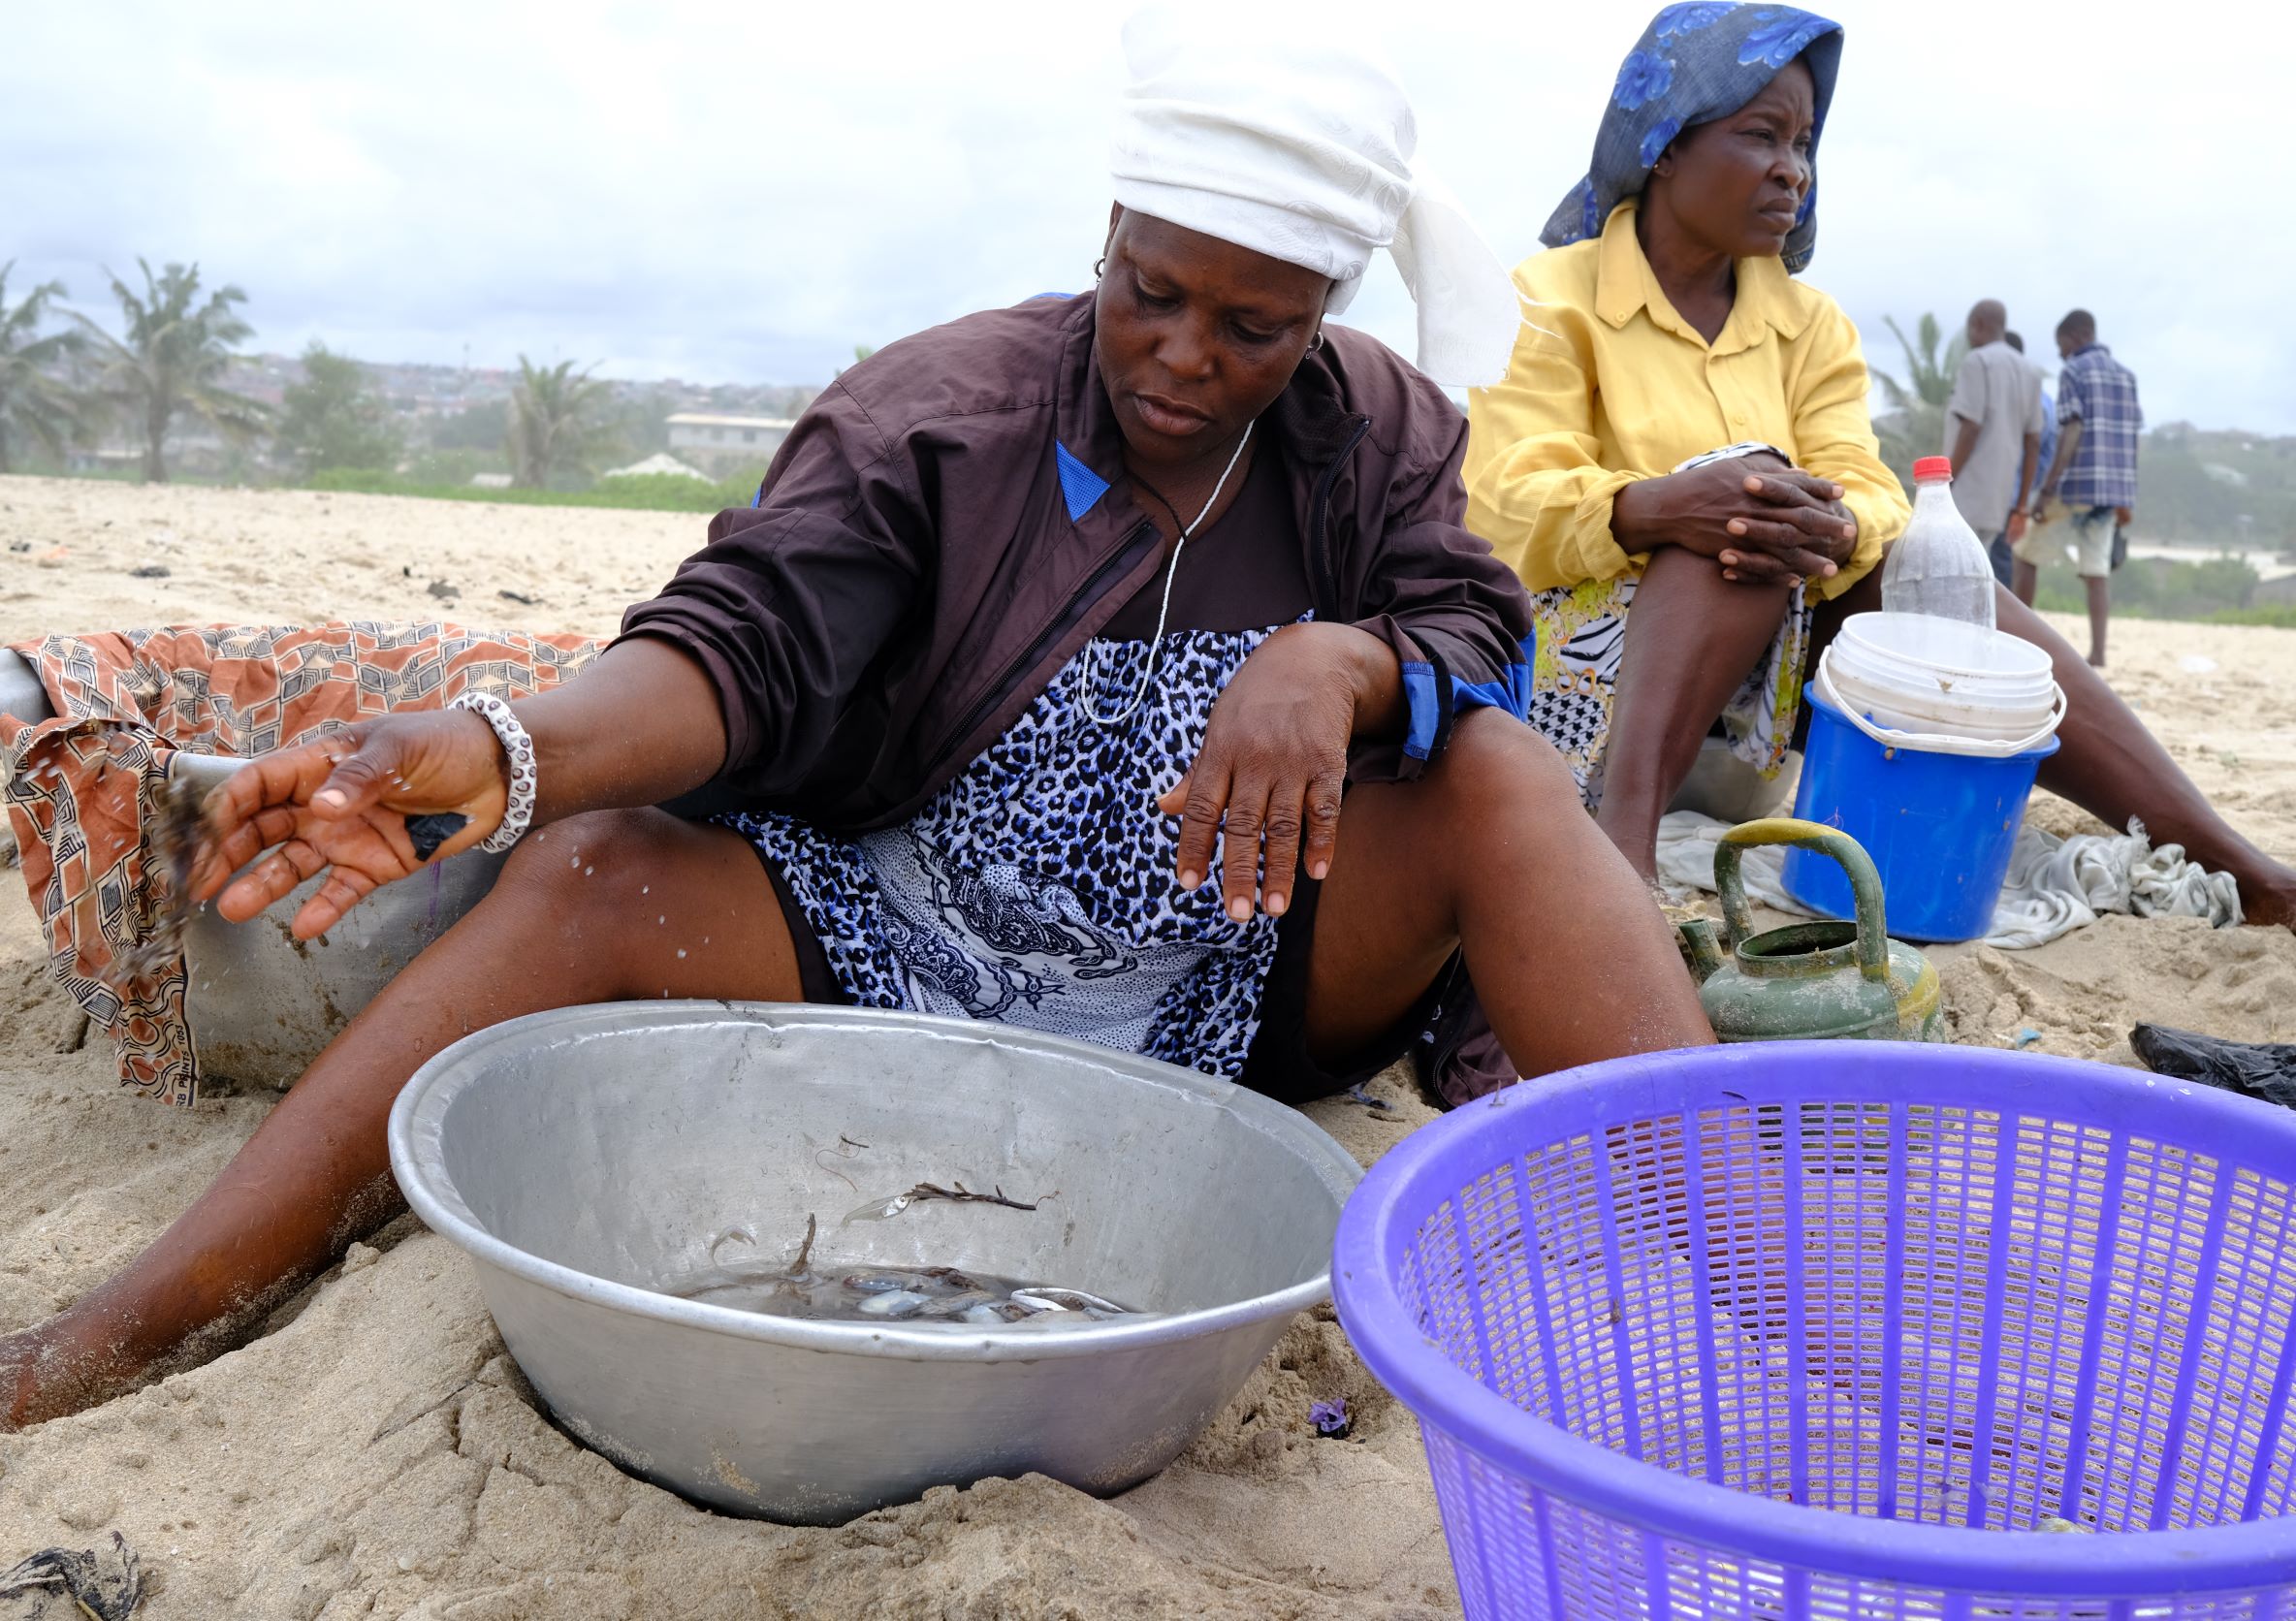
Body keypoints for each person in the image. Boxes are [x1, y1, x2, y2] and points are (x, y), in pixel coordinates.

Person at [0, 16, 1712, 1430]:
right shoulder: (941, 416)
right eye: (1147, 292)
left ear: (1321, 316)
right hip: (899, 927)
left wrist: (1337, 664)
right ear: (1104, 243)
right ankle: (135, 1317)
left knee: (1488, 768)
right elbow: (736, 650)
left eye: (1251, 327)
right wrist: (498, 746)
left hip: (1237, 968)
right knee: (594, 870)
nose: (1183, 355)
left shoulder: (1376, 431)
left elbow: (1477, 636)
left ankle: (1744, 1279)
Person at [1462, 3, 2296, 964]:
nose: (1793, 169)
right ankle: (1618, 858)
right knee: (1745, 499)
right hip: (1580, 696)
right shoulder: (1550, 298)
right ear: (1665, 144)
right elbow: (1505, 498)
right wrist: (1671, 503)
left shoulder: (1811, 326)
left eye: (1805, 143)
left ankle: (2243, 868)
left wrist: (1830, 526)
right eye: (1761, 135)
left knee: (1896, 560)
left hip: (1757, 702)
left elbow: (1869, 487)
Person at [2019, 307, 2138, 665]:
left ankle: (2019, 639)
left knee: (2026, 555)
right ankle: (2099, 653)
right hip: (2111, 491)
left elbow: (2071, 430)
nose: (2060, 353)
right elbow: (2131, 437)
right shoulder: (2126, 376)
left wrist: (2048, 487)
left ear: (2075, 337)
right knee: (2096, 571)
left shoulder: (2074, 370)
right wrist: (2125, 497)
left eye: (2061, 345)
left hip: (2075, 485)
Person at [1945, 299, 2040, 588]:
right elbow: (2033, 440)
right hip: (1998, 497)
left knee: (1952, 573)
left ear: (1977, 325)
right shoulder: (2030, 372)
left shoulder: (1978, 361)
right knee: (1977, 573)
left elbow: (1971, 427)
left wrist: (1945, 482)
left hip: (1967, 491)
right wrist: (2021, 504)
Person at [2006, 329, 2058, 504]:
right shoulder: (2041, 399)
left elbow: (2033, 446)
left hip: (2014, 498)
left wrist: (2021, 506)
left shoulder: (2036, 401)